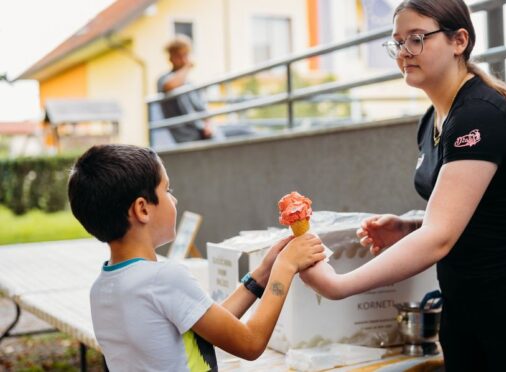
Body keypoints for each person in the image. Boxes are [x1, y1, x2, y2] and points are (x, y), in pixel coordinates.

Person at [300, 1, 506, 371]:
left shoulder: (479, 113)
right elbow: (470, 215)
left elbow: (441, 237)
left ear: (459, 41)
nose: (404, 52)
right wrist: (410, 228)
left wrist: (338, 285)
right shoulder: (434, 119)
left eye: (417, 39)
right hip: (470, 302)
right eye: (397, 42)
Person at [68, 144, 325, 371]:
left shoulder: (101, 289)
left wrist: (261, 275)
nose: (175, 199)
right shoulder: (164, 279)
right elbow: (250, 343)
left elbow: (205, 323)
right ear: (142, 209)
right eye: (168, 189)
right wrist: (285, 266)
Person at [157, 36, 212, 143]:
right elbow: (170, 86)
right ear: (170, 57)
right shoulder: (164, 79)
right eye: (178, 55)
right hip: (185, 136)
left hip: (201, 131)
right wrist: (187, 67)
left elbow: (202, 108)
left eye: (185, 55)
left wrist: (208, 125)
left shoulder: (190, 83)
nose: (182, 59)